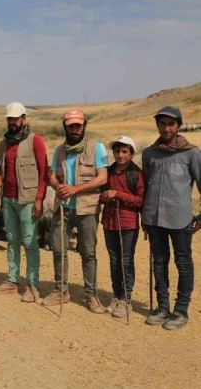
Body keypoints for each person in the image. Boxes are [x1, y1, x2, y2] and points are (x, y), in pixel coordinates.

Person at [141, 106, 201, 330]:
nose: (166, 128)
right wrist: (144, 216)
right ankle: (163, 307)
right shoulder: (149, 153)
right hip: (154, 218)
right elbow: (145, 186)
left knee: (183, 263)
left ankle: (181, 310)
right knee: (159, 263)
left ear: (179, 125)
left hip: (180, 218)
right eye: (162, 123)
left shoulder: (192, 153)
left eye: (171, 123)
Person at [43, 110, 109, 313]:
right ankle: (60, 290)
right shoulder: (60, 150)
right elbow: (53, 175)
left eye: (77, 126)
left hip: (87, 208)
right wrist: (57, 186)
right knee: (59, 250)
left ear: (84, 126)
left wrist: (74, 189)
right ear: (65, 127)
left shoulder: (96, 147)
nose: (74, 130)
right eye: (70, 126)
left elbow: (102, 178)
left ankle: (91, 295)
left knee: (88, 253)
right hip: (62, 208)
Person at [0, 102, 48, 302]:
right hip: (8, 199)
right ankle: (13, 281)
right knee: (12, 240)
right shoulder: (4, 143)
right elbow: (3, 168)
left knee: (31, 242)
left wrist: (40, 199)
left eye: (15, 119)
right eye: (9, 119)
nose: (12, 122)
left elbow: (44, 172)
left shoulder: (35, 141)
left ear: (23, 119)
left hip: (28, 200)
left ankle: (33, 285)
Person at [99, 136, 144, 320]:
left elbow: (140, 200)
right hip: (109, 222)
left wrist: (117, 194)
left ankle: (126, 300)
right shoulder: (107, 172)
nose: (120, 155)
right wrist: (105, 197)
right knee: (114, 261)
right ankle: (116, 296)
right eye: (117, 151)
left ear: (132, 154)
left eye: (125, 151)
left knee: (126, 261)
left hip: (128, 224)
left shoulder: (137, 174)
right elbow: (100, 195)